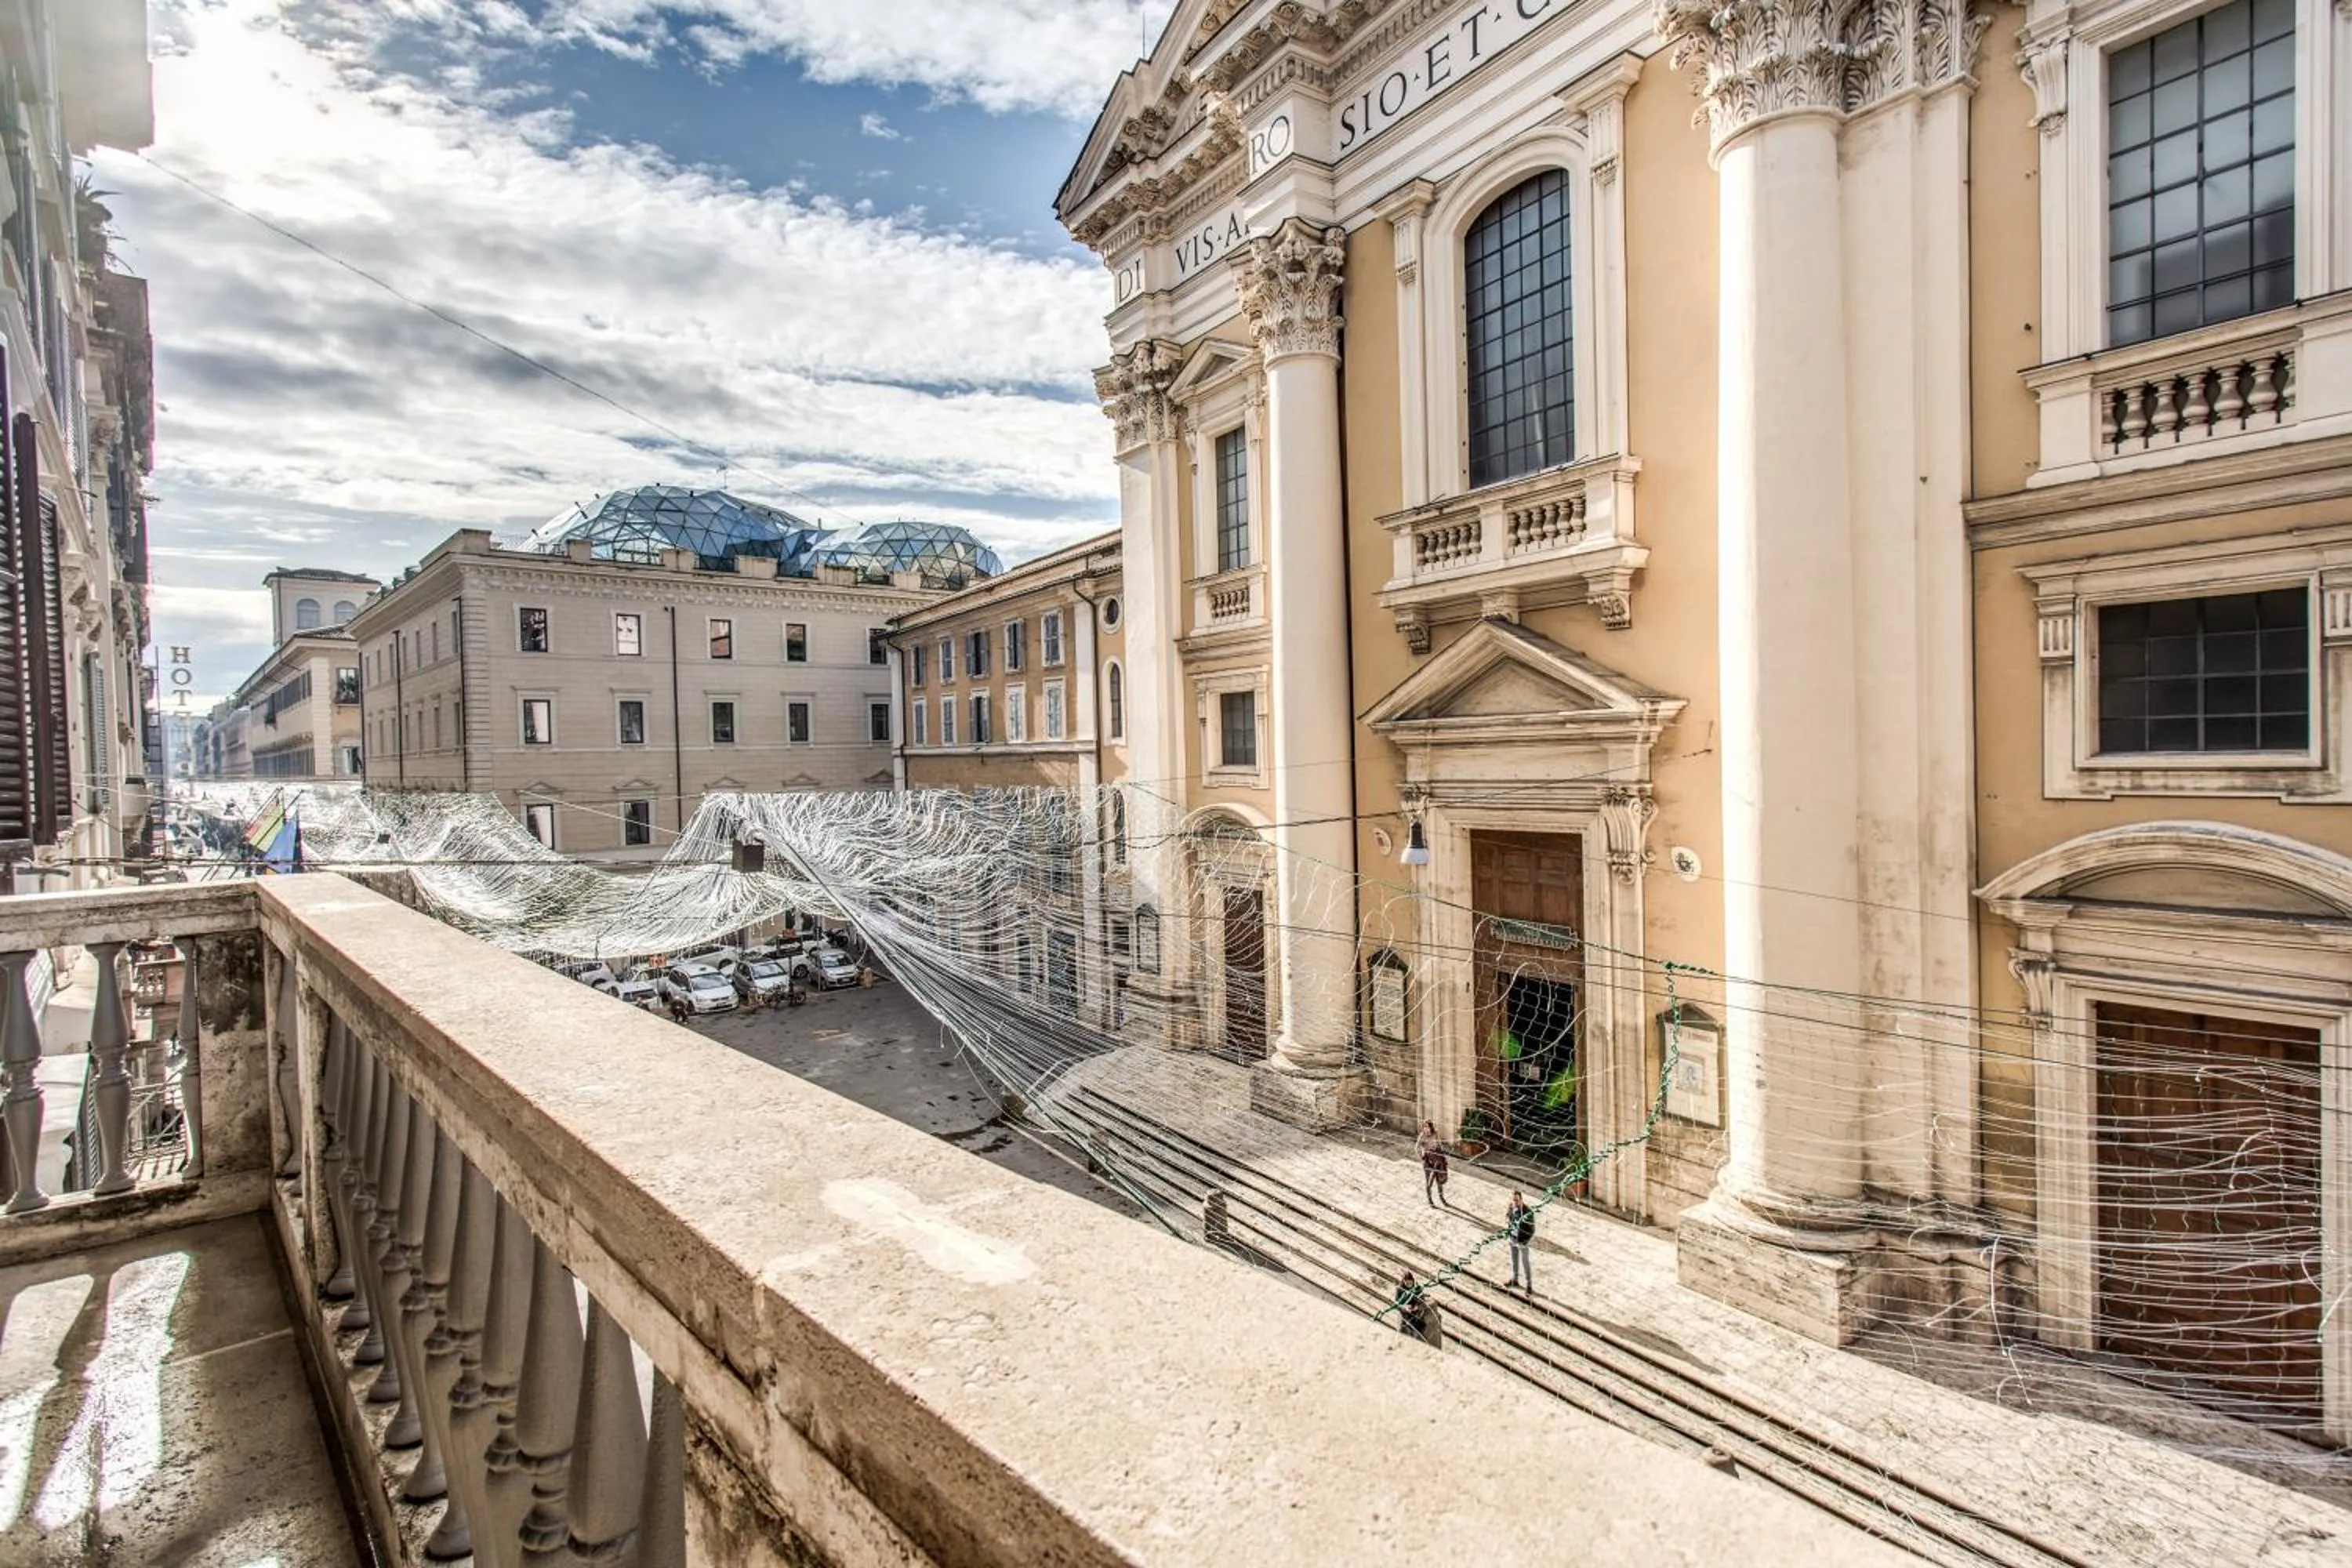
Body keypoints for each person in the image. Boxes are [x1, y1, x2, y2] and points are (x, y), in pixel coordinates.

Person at [1505, 1191, 1535, 1292]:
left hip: (1522, 1241)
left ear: (1521, 1200)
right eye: (1513, 1200)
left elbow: (1532, 1230)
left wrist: (1525, 1241)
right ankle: (1515, 1279)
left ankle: (1529, 1284)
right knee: (1514, 1260)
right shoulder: (1511, 1207)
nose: (1515, 1202)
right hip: (1513, 1238)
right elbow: (1507, 1216)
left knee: (1525, 1262)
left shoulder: (1528, 1212)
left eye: (1517, 1200)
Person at [1393, 1270, 1432, 1343]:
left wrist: (1417, 1306)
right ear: (1403, 1281)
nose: (1409, 1285)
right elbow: (1396, 1304)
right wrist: (1404, 1307)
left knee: (1418, 1332)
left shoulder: (1416, 1288)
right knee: (1403, 1335)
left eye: (1410, 1283)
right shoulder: (1399, 1289)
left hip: (1415, 1315)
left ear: (1413, 1281)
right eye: (1407, 1283)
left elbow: (1422, 1300)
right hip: (1404, 1317)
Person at [1417, 1119, 1449, 1207]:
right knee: (1429, 1181)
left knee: (1439, 1179)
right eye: (1425, 1127)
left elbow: (1440, 1145)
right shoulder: (1422, 1136)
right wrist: (1422, 1158)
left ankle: (1441, 1197)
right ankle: (1430, 1199)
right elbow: (1416, 1148)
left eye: (1428, 1127)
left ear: (1431, 1127)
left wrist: (1444, 1157)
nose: (1426, 1129)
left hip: (1437, 1159)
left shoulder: (1435, 1133)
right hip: (1428, 1160)